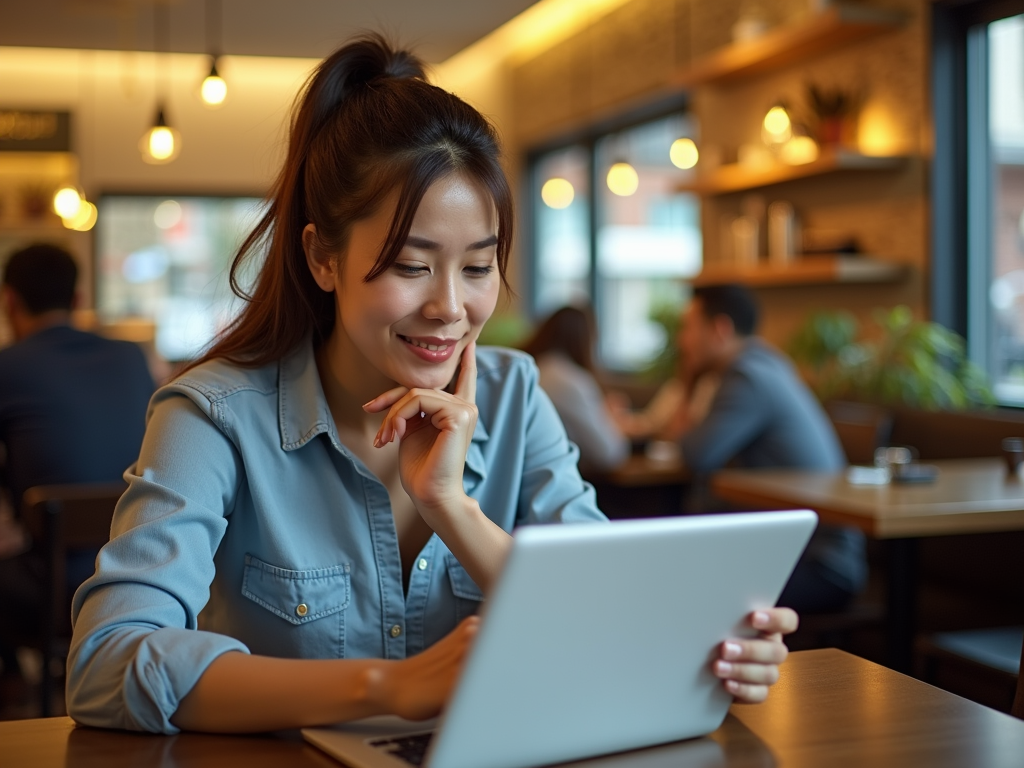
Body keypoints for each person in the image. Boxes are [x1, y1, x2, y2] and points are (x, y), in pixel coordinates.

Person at [67, 35, 797, 735]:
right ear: (323, 258)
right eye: (413, 265)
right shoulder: (215, 415)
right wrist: (387, 686)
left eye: (478, 267)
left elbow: (612, 624)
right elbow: (106, 662)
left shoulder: (513, 395)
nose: (451, 307)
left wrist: (450, 505)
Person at [0, 243, 155, 698]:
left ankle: (16, 692)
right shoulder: (133, 357)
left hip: (52, 590)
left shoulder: (8, 365)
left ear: (9, 301)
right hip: (140, 577)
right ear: (78, 299)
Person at [673, 283, 867, 613]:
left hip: (822, 564)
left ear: (721, 330)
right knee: (684, 573)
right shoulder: (764, 364)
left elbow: (696, 454)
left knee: (689, 591)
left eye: (689, 328)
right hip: (794, 551)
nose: (683, 340)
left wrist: (688, 383)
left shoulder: (748, 377)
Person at [520, 306, 629, 473]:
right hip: (558, 480)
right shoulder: (569, 381)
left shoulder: (534, 369)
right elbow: (609, 453)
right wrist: (608, 418)